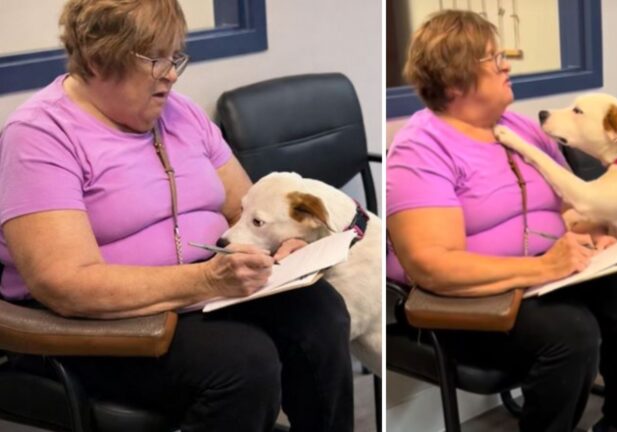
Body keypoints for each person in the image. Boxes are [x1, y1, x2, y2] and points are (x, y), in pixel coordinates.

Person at [0, 1, 353, 431]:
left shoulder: (182, 114)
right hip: (94, 320)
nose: (170, 73)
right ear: (97, 59)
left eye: (175, 57)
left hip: (198, 292)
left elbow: (245, 207)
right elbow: (64, 283)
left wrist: (282, 247)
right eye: (154, 59)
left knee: (322, 316)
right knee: (243, 363)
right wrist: (205, 281)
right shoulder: (39, 136)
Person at [386, 10, 617, 432]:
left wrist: (597, 235)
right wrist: (543, 268)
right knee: (571, 332)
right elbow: (432, 266)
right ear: (456, 82)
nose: (506, 65)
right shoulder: (419, 149)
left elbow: (568, 203)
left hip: (546, 277)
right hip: (464, 302)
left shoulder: (520, 128)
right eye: (493, 60)